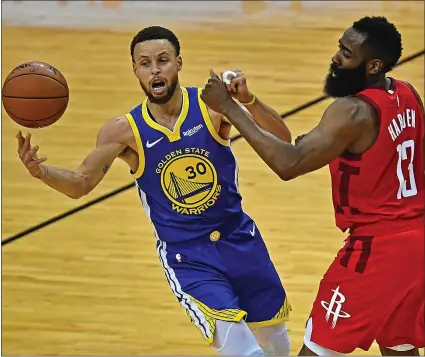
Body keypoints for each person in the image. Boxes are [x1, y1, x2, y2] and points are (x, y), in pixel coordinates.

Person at [15, 26, 293, 356]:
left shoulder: (211, 107)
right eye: (145, 63)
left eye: (162, 60)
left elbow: (283, 141)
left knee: (276, 344)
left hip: (240, 239)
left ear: (178, 63)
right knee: (245, 352)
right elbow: (80, 183)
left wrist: (248, 101)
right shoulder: (124, 131)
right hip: (188, 256)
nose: (155, 70)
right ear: (135, 70)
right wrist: (41, 171)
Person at [200, 16, 424, 356]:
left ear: (373, 65)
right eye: (339, 47)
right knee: (399, 347)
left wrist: (228, 107)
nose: (336, 58)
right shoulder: (407, 94)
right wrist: (250, 102)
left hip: (378, 249)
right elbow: (297, 144)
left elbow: (288, 164)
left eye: (347, 53)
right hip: (417, 244)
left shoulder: (351, 112)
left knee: (318, 349)